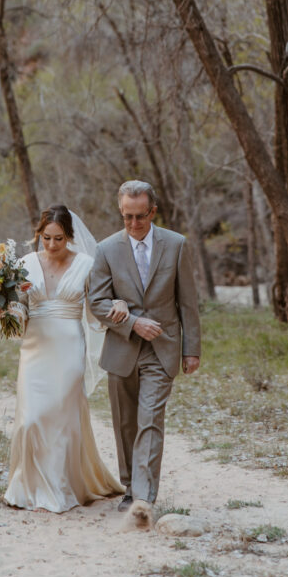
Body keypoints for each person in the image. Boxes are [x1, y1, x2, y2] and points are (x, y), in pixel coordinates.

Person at [88, 180, 201, 512]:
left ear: (153, 211)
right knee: (125, 422)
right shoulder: (106, 249)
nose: (134, 224)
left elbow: (188, 303)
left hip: (162, 350)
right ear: (121, 212)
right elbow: (96, 302)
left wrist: (191, 348)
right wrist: (133, 322)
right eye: (127, 217)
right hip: (122, 349)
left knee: (150, 419)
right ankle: (128, 486)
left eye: (140, 216)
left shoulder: (177, 245)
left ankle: (143, 498)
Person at [4, 204, 125, 512]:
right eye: (46, 238)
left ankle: (60, 489)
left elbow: (98, 309)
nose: (52, 245)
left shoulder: (86, 263)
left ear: (70, 236)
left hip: (70, 346)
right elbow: (19, 308)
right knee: (30, 420)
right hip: (35, 346)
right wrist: (6, 311)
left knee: (61, 419)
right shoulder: (25, 263)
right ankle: (27, 487)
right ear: (38, 235)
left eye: (59, 238)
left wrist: (118, 305)